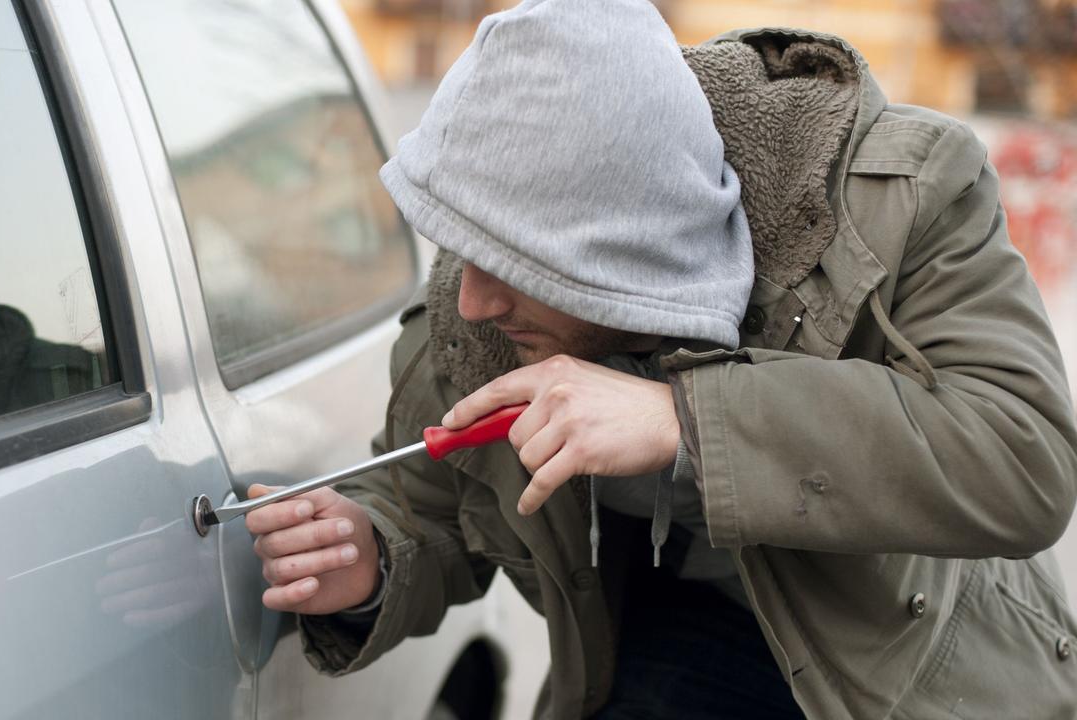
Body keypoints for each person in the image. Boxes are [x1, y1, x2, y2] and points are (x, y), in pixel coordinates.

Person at [245, 0, 1077, 717]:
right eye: (464, 251)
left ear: (621, 249)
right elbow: (435, 510)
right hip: (671, 658)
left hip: (917, 673)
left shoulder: (901, 199)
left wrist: (684, 421)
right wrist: (372, 554)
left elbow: (1023, 457)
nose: (473, 302)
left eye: (513, 263)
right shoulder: (473, 324)